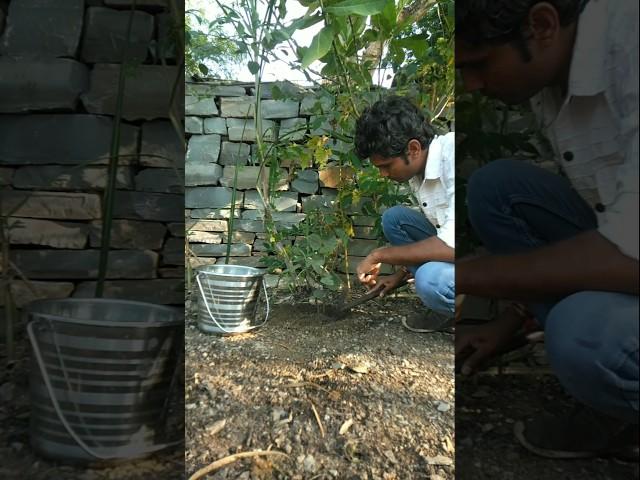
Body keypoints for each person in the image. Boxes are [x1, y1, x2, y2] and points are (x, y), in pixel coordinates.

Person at [456, 0, 638, 460]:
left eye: (478, 64)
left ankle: (616, 392)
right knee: (497, 188)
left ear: (541, 24)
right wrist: (515, 317)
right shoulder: (552, 75)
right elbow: (610, 215)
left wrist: (465, 276)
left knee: (583, 337)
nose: (472, 85)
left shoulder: (630, 45)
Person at [353, 95, 455, 332]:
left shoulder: (451, 155)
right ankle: (440, 302)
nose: (384, 175)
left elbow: (451, 245)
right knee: (395, 218)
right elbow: (439, 235)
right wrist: (399, 276)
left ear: (413, 148)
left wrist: (380, 255)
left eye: (387, 165)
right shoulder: (418, 172)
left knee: (430, 280)